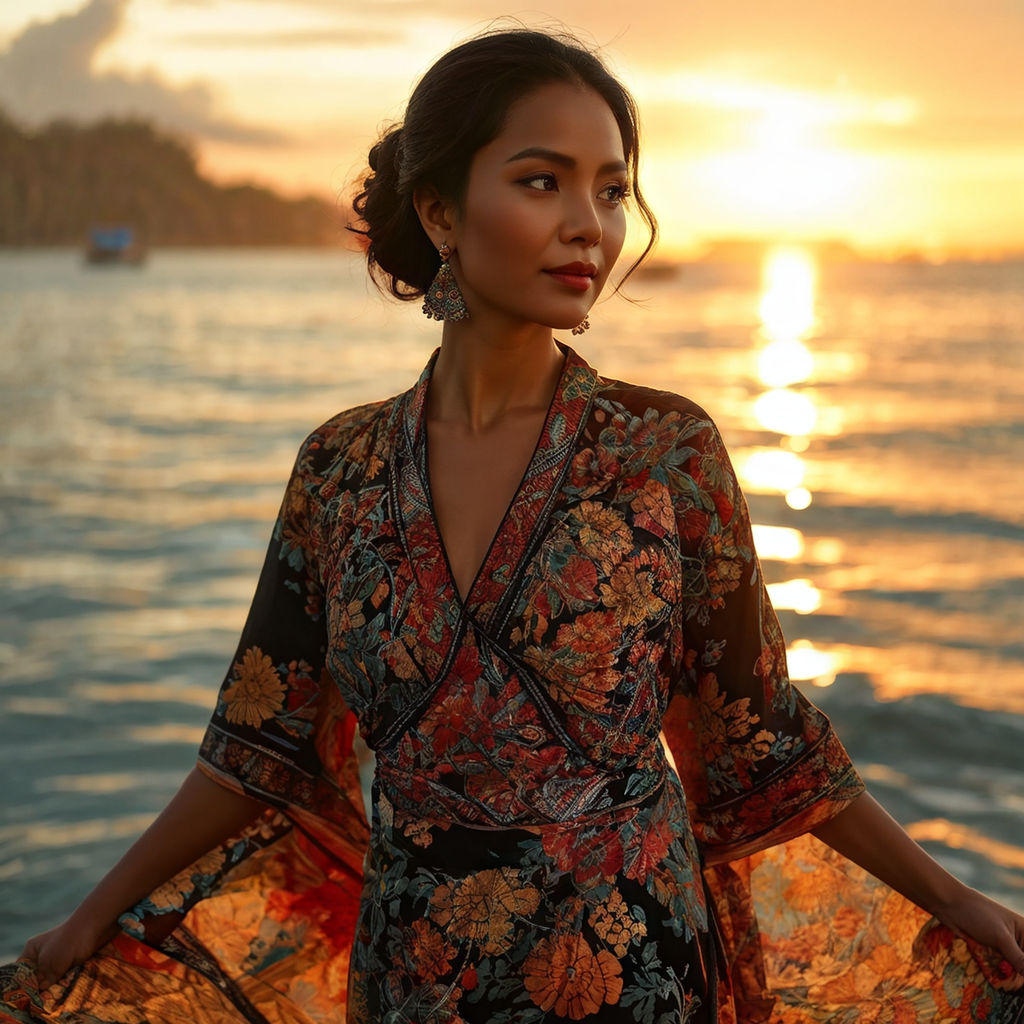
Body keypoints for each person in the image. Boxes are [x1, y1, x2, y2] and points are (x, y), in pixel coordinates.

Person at [4, 26, 1024, 1024]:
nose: (589, 223)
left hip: (636, 978)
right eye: (543, 181)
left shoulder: (664, 452)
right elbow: (253, 753)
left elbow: (765, 752)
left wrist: (958, 900)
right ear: (441, 208)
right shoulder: (341, 470)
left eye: (612, 189)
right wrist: (85, 922)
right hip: (415, 980)